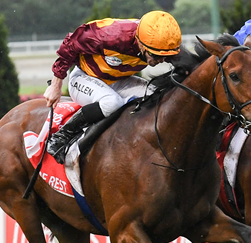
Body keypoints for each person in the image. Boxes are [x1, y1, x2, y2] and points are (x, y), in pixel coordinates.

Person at [43, 10, 182, 164]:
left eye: (165, 56)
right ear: (141, 43)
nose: (162, 60)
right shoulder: (112, 35)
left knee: (158, 95)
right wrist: (56, 84)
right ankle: (62, 135)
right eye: (155, 56)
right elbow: (70, 43)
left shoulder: (163, 43)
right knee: (112, 102)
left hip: (118, 80)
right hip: (85, 78)